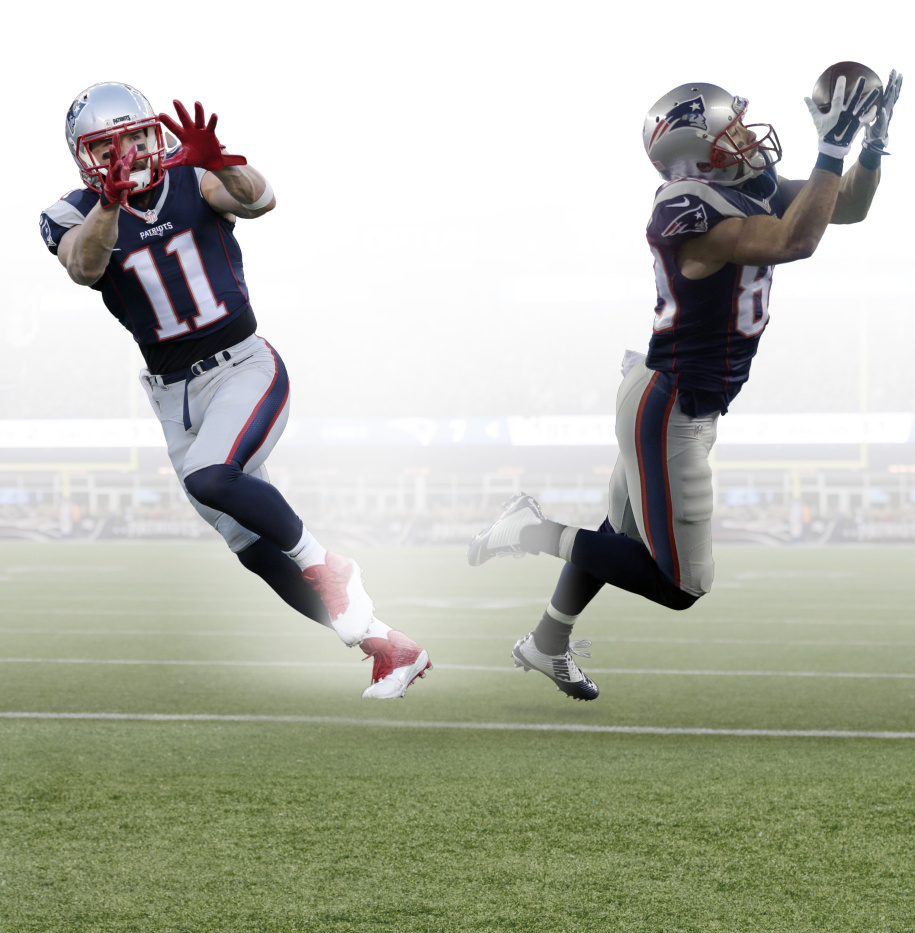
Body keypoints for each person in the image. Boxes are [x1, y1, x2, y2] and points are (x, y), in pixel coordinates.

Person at [467, 70, 903, 700]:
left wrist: (868, 145)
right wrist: (831, 146)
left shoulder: (746, 186)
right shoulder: (687, 209)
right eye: (735, 129)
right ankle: (531, 529)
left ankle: (546, 643)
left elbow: (848, 208)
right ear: (697, 149)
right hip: (671, 403)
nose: (751, 137)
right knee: (679, 585)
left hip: (669, 391)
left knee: (617, 534)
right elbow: (795, 240)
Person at [40, 82, 432, 699]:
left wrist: (220, 159)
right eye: (106, 148)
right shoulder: (73, 212)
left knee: (211, 476)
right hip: (172, 394)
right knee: (249, 546)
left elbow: (260, 199)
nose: (125, 154)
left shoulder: (194, 176)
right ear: (84, 157)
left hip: (242, 366)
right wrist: (110, 206)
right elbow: (84, 266)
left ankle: (327, 566)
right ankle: (390, 647)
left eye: (134, 137)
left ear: (151, 133)